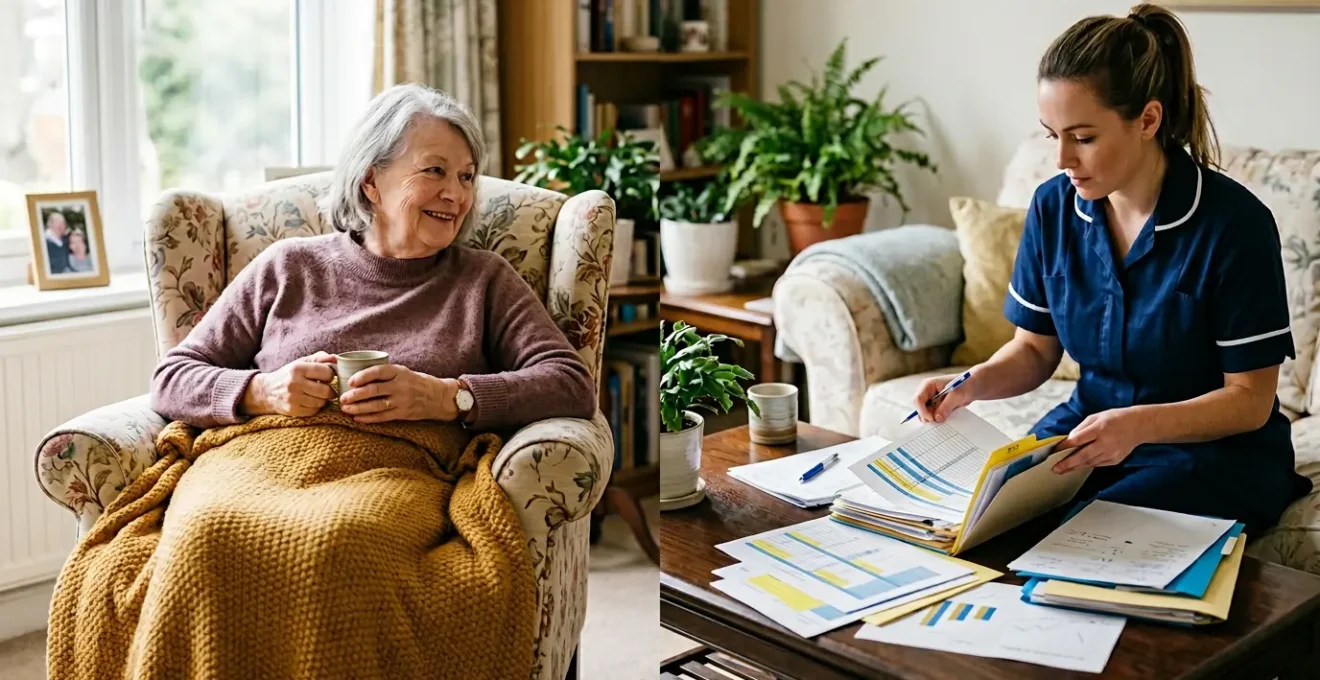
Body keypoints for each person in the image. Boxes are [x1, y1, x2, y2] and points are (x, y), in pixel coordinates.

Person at [911, 3, 1311, 536]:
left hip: (1213, 454)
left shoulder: (1234, 226)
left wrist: (1140, 426)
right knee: (985, 523)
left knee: (1079, 536)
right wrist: (971, 384)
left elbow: (1249, 400)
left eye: (1083, 137)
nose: (1061, 159)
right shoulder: (1053, 208)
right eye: (1052, 134)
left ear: (1148, 119)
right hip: (1092, 429)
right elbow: (1033, 351)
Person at [151, 83, 597, 432]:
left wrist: (446, 398)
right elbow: (171, 380)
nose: (456, 194)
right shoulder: (287, 267)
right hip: (261, 465)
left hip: (396, 483)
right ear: (370, 182)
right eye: (435, 170)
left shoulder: (483, 280)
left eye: (466, 176)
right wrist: (261, 391)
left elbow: (571, 385)